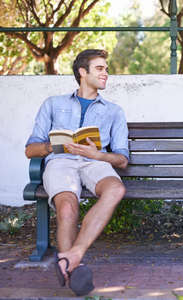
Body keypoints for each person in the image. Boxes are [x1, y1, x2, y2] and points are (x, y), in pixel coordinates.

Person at [25, 49, 128, 295]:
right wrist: (54, 146)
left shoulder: (114, 111)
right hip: (60, 161)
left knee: (116, 188)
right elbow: (31, 150)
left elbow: (122, 159)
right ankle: (74, 269)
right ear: (83, 72)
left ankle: (72, 255)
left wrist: (98, 155)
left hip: (95, 162)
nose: (106, 73)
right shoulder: (52, 104)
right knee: (67, 206)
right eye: (100, 68)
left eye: (106, 68)